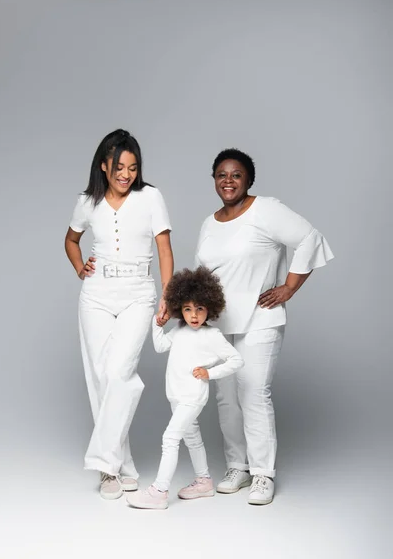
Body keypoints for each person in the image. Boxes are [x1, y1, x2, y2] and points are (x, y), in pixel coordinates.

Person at [195, 148, 334, 505]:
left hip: (260, 320)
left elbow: (308, 238)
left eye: (236, 174)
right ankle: (237, 467)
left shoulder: (265, 209)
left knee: (253, 393)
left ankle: (262, 474)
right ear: (214, 180)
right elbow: (202, 275)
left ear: (248, 180)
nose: (228, 180)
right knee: (226, 400)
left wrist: (289, 287)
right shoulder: (209, 224)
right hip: (218, 324)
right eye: (222, 174)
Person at [64, 129, 174, 500]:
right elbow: (71, 239)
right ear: (103, 166)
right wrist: (81, 267)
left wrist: (168, 294)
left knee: (119, 371)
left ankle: (103, 463)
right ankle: (119, 469)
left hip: (137, 294)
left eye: (133, 167)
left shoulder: (150, 197)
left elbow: (164, 250)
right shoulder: (87, 201)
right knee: (101, 378)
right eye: (119, 167)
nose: (126, 174)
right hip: (95, 295)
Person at [126, 267, 244, 509]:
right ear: (179, 307)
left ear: (210, 307)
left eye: (199, 308)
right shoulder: (179, 329)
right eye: (188, 309)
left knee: (170, 437)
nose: (193, 315)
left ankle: (159, 491)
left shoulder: (212, 335)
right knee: (192, 437)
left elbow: (236, 360)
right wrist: (158, 324)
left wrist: (209, 373)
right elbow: (160, 346)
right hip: (175, 394)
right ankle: (204, 482)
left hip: (192, 396)